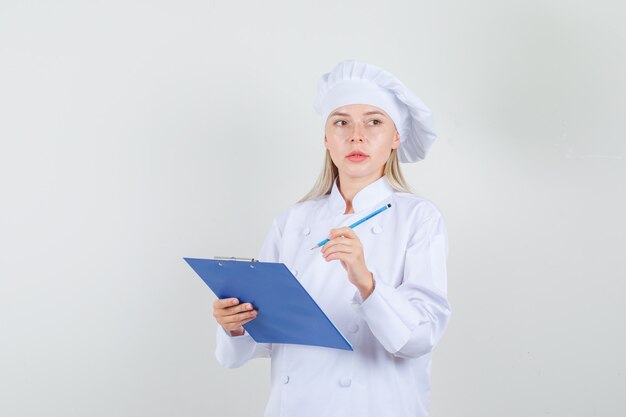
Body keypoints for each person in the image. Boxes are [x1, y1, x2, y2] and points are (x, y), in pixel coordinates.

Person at [212, 60, 451, 417]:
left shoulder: (419, 218)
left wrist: (366, 282)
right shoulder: (292, 221)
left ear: (395, 137)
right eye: (341, 122)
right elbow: (265, 335)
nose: (357, 135)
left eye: (374, 122)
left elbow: (420, 336)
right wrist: (235, 323)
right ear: (326, 138)